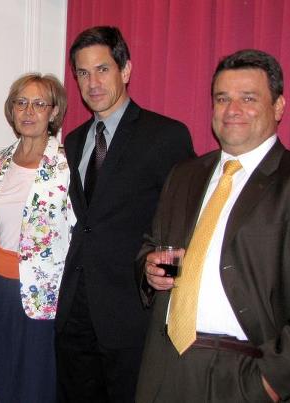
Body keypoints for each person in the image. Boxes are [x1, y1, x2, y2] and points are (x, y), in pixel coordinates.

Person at [136, 49, 290, 403]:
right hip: (166, 365)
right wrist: (148, 269)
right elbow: (152, 245)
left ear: (278, 107)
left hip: (247, 373)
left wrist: (271, 383)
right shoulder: (184, 175)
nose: (232, 110)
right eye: (222, 98)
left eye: (248, 98)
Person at [55, 26, 195, 402]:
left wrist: (167, 286)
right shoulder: (74, 140)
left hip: (132, 312)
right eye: (83, 73)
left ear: (126, 70)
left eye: (102, 69)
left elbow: (185, 219)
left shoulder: (165, 135)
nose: (92, 83)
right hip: (75, 311)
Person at [0, 73, 76, 402]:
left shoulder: (67, 165)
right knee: (4, 381)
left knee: (36, 385)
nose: (29, 111)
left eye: (39, 104)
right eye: (21, 103)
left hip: (45, 294)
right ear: (12, 109)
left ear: (54, 111)